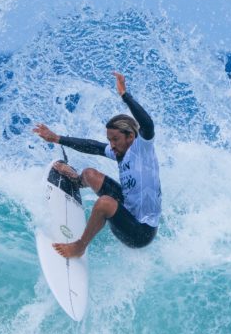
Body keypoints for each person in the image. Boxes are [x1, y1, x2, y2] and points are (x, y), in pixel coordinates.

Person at [33, 72, 161, 258]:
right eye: (110, 140)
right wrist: (57, 138)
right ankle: (76, 182)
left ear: (131, 137)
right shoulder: (119, 152)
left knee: (105, 203)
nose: (112, 145)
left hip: (140, 233)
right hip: (127, 208)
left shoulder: (143, 150)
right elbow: (93, 146)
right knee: (89, 174)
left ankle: (79, 246)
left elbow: (147, 124)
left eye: (116, 139)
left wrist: (125, 94)